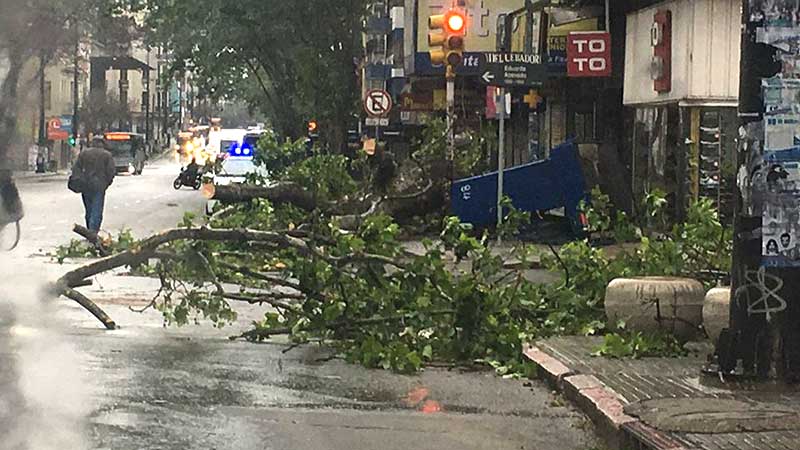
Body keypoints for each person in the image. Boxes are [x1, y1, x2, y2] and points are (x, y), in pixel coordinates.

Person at [73, 137, 115, 232]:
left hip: (85, 185)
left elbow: (76, 169)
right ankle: (93, 231)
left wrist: (79, 181)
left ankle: (89, 229)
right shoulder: (106, 155)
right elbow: (111, 172)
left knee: (89, 209)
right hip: (99, 186)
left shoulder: (84, 153)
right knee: (97, 209)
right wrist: (106, 183)